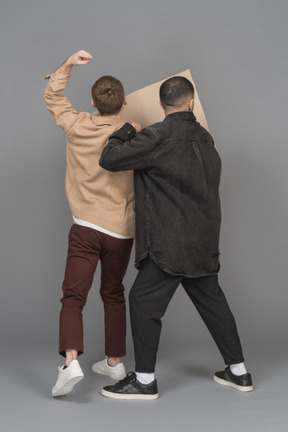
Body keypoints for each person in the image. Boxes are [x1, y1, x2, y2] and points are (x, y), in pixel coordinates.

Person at [99, 76, 253, 400]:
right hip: (204, 243)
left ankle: (144, 381)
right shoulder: (208, 141)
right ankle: (239, 372)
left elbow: (109, 158)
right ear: (191, 102)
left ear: (160, 105)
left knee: (142, 303)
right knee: (214, 305)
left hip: (168, 245)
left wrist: (128, 129)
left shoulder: (156, 136)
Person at [44, 50, 140, 397]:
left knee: (73, 297)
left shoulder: (77, 123)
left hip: (85, 226)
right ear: (124, 101)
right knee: (113, 293)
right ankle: (114, 362)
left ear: (93, 102)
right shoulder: (134, 135)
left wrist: (68, 63)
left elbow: (52, 94)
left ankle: (70, 364)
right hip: (120, 230)